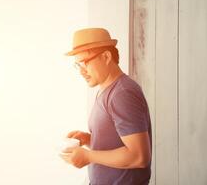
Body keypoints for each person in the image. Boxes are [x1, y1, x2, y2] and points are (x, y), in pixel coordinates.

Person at [60, 28, 152, 185]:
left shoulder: (122, 94)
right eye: (77, 65)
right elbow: (119, 142)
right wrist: (90, 139)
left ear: (106, 56)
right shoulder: (106, 89)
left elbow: (139, 156)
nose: (81, 71)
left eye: (84, 62)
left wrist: (88, 156)